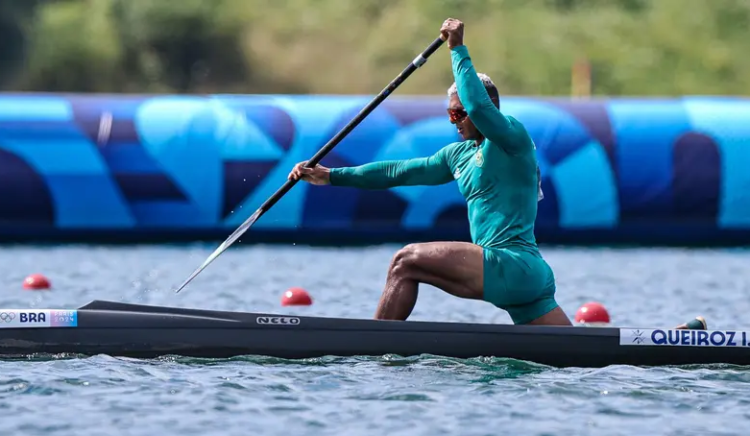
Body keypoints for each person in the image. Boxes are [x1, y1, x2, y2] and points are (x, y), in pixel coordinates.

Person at [287, 18, 708, 331]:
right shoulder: (458, 155)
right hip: (523, 278)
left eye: (458, 112)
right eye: (449, 113)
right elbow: (399, 170)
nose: (454, 120)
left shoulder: (511, 140)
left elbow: (480, 106)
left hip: (511, 264)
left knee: (405, 261)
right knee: (581, 353)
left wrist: (457, 50)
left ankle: (373, 345)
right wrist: (331, 176)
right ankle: (678, 338)